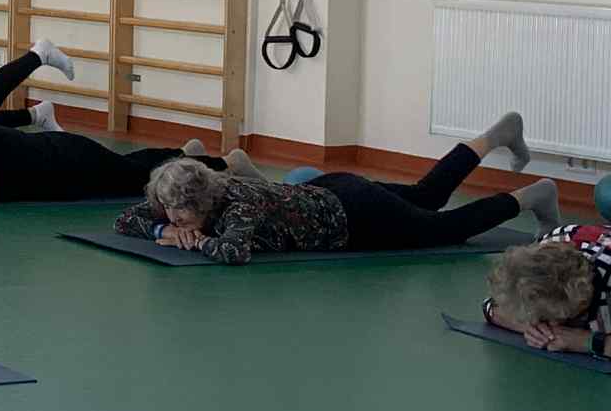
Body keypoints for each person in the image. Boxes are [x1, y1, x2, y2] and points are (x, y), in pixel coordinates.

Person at [117, 112, 560, 263]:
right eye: (168, 211)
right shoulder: (184, 199)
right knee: (426, 194)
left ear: (203, 201)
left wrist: (193, 242)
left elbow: (234, 252)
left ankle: (531, 197)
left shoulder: (238, 206)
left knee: (442, 229)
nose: (173, 218)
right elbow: (126, 220)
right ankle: (494, 137)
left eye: (179, 213)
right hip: (332, 189)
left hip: (355, 217)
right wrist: (163, 230)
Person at [0, 124, 249, 210]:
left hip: (70, 164)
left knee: (136, 179)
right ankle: (184, 153)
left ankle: (227, 163)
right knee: (129, 165)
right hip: (56, 155)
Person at [483, 221, 610, 358]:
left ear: (581, 303)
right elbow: (492, 308)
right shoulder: (552, 243)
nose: (553, 325)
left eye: (552, 319)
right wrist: (534, 330)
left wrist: (587, 341)